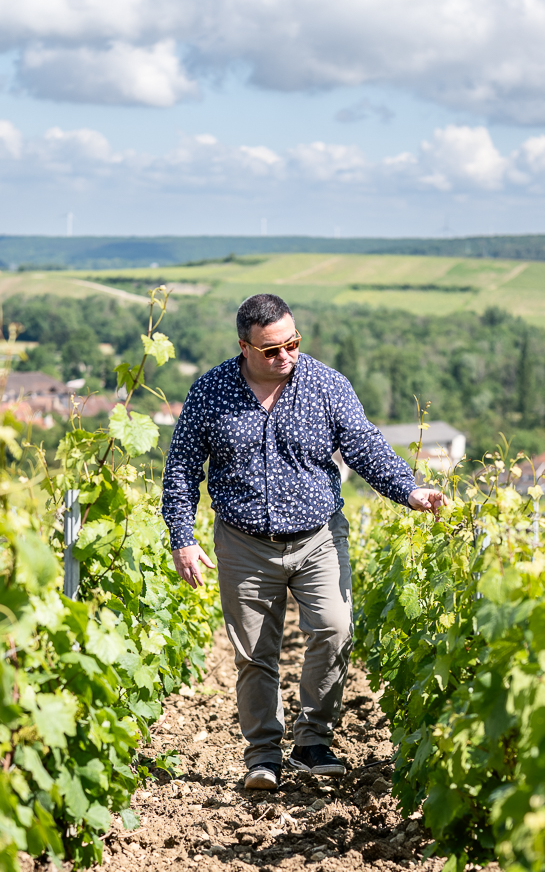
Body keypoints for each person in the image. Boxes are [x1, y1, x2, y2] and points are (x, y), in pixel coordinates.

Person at [161, 292, 445, 792]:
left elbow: (365, 446)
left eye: (292, 343)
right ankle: (263, 756)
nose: (286, 356)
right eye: (272, 350)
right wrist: (182, 538)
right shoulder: (211, 393)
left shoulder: (326, 385)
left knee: (335, 629)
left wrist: (410, 488)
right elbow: (182, 468)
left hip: (317, 536)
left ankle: (313, 740)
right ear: (244, 347)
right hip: (244, 542)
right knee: (254, 654)